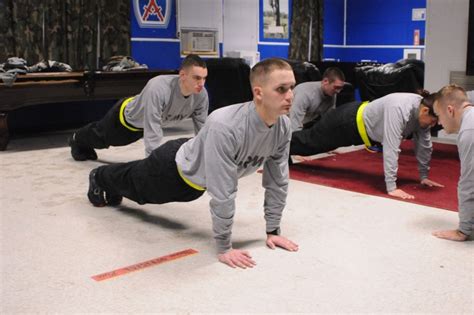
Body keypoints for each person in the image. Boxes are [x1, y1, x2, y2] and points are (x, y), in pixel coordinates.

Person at [86, 58, 299, 269]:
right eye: (281, 89)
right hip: (171, 169)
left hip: (196, 181)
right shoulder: (225, 125)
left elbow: (277, 182)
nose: (290, 96)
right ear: (258, 93)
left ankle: (108, 179)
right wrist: (225, 247)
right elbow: (224, 190)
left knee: (131, 181)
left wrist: (273, 231)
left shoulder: (282, 127)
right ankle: (99, 176)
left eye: (292, 88)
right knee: (135, 188)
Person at [290, 92, 443, 199]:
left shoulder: (422, 109)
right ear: (424, 110)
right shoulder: (399, 108)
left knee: (310, 143)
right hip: (345, 122)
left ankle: (282, 147)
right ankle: (277, 144)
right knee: (309, 144)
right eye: (433, 121)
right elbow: (391, 147)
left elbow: (424, 145)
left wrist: (424, 176)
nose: (434, 125)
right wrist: (392, 187)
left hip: (357, 127)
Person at [68, 54, 209, 160]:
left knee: (103, 137)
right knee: (102, 138)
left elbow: (202, 129)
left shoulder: (201, 95)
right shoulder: (159, 87)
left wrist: (206, 157)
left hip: (142, 125)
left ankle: (82, 141)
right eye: (197, 78)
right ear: (183, 75)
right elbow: (153, 128)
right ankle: (76, 139)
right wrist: (154, 164)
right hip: (125, 119)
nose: (201, 83)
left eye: (204, 78)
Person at [432, 85, 473, 241]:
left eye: (439, 115)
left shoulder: (469, 131)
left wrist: (462, 231)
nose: (439, 123)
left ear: (450, 110)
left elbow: (469, 184)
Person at [289, 67, 345, 132]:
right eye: (336, 87)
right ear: (325, 81)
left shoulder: (332, 94)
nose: (338, 91)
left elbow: (329, 119)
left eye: (341, 88)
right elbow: (294, 126)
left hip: (305, 124)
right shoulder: (305, 93)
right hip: (285, 126)